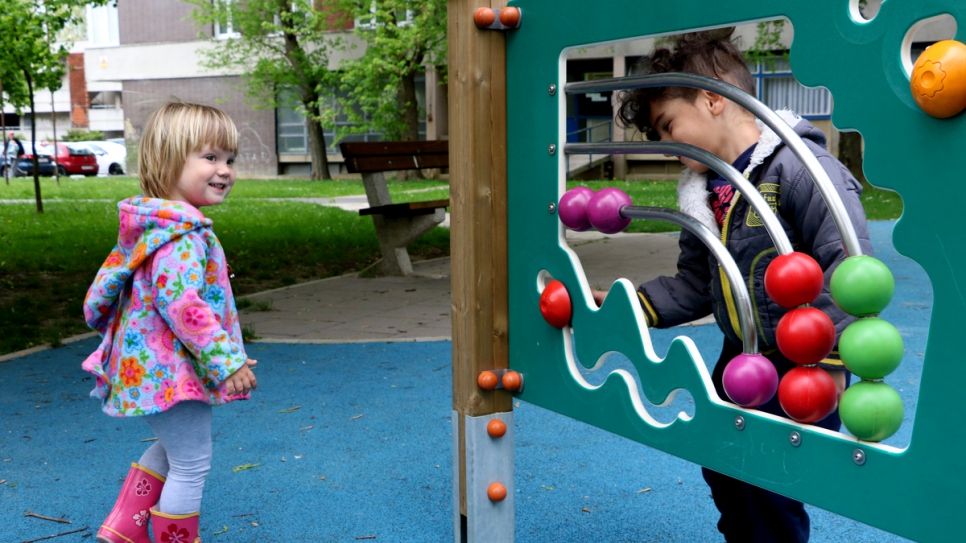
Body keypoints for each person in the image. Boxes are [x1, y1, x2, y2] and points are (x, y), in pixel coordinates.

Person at [600, 29, 873, 542]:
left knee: (772, 480)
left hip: (805, 357)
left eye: (667, 125)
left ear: (711, 100)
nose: (665, 144)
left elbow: (847, 263)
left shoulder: (798, 169)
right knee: (722, 463)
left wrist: (833, 360)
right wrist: (631, 306)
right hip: (739, 353)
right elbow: (695, 282)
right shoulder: (703, 194)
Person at [82, 101, 257, 543]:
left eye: (229, 159)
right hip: (168, 369)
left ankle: (122, 531)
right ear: (168, 161)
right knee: (193, 461)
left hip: (157, 366)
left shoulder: (163, 226)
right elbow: (182, 304)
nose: (225, 170)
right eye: (211, 157)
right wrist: (227, 360)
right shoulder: (182, 235)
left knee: (175, 448)